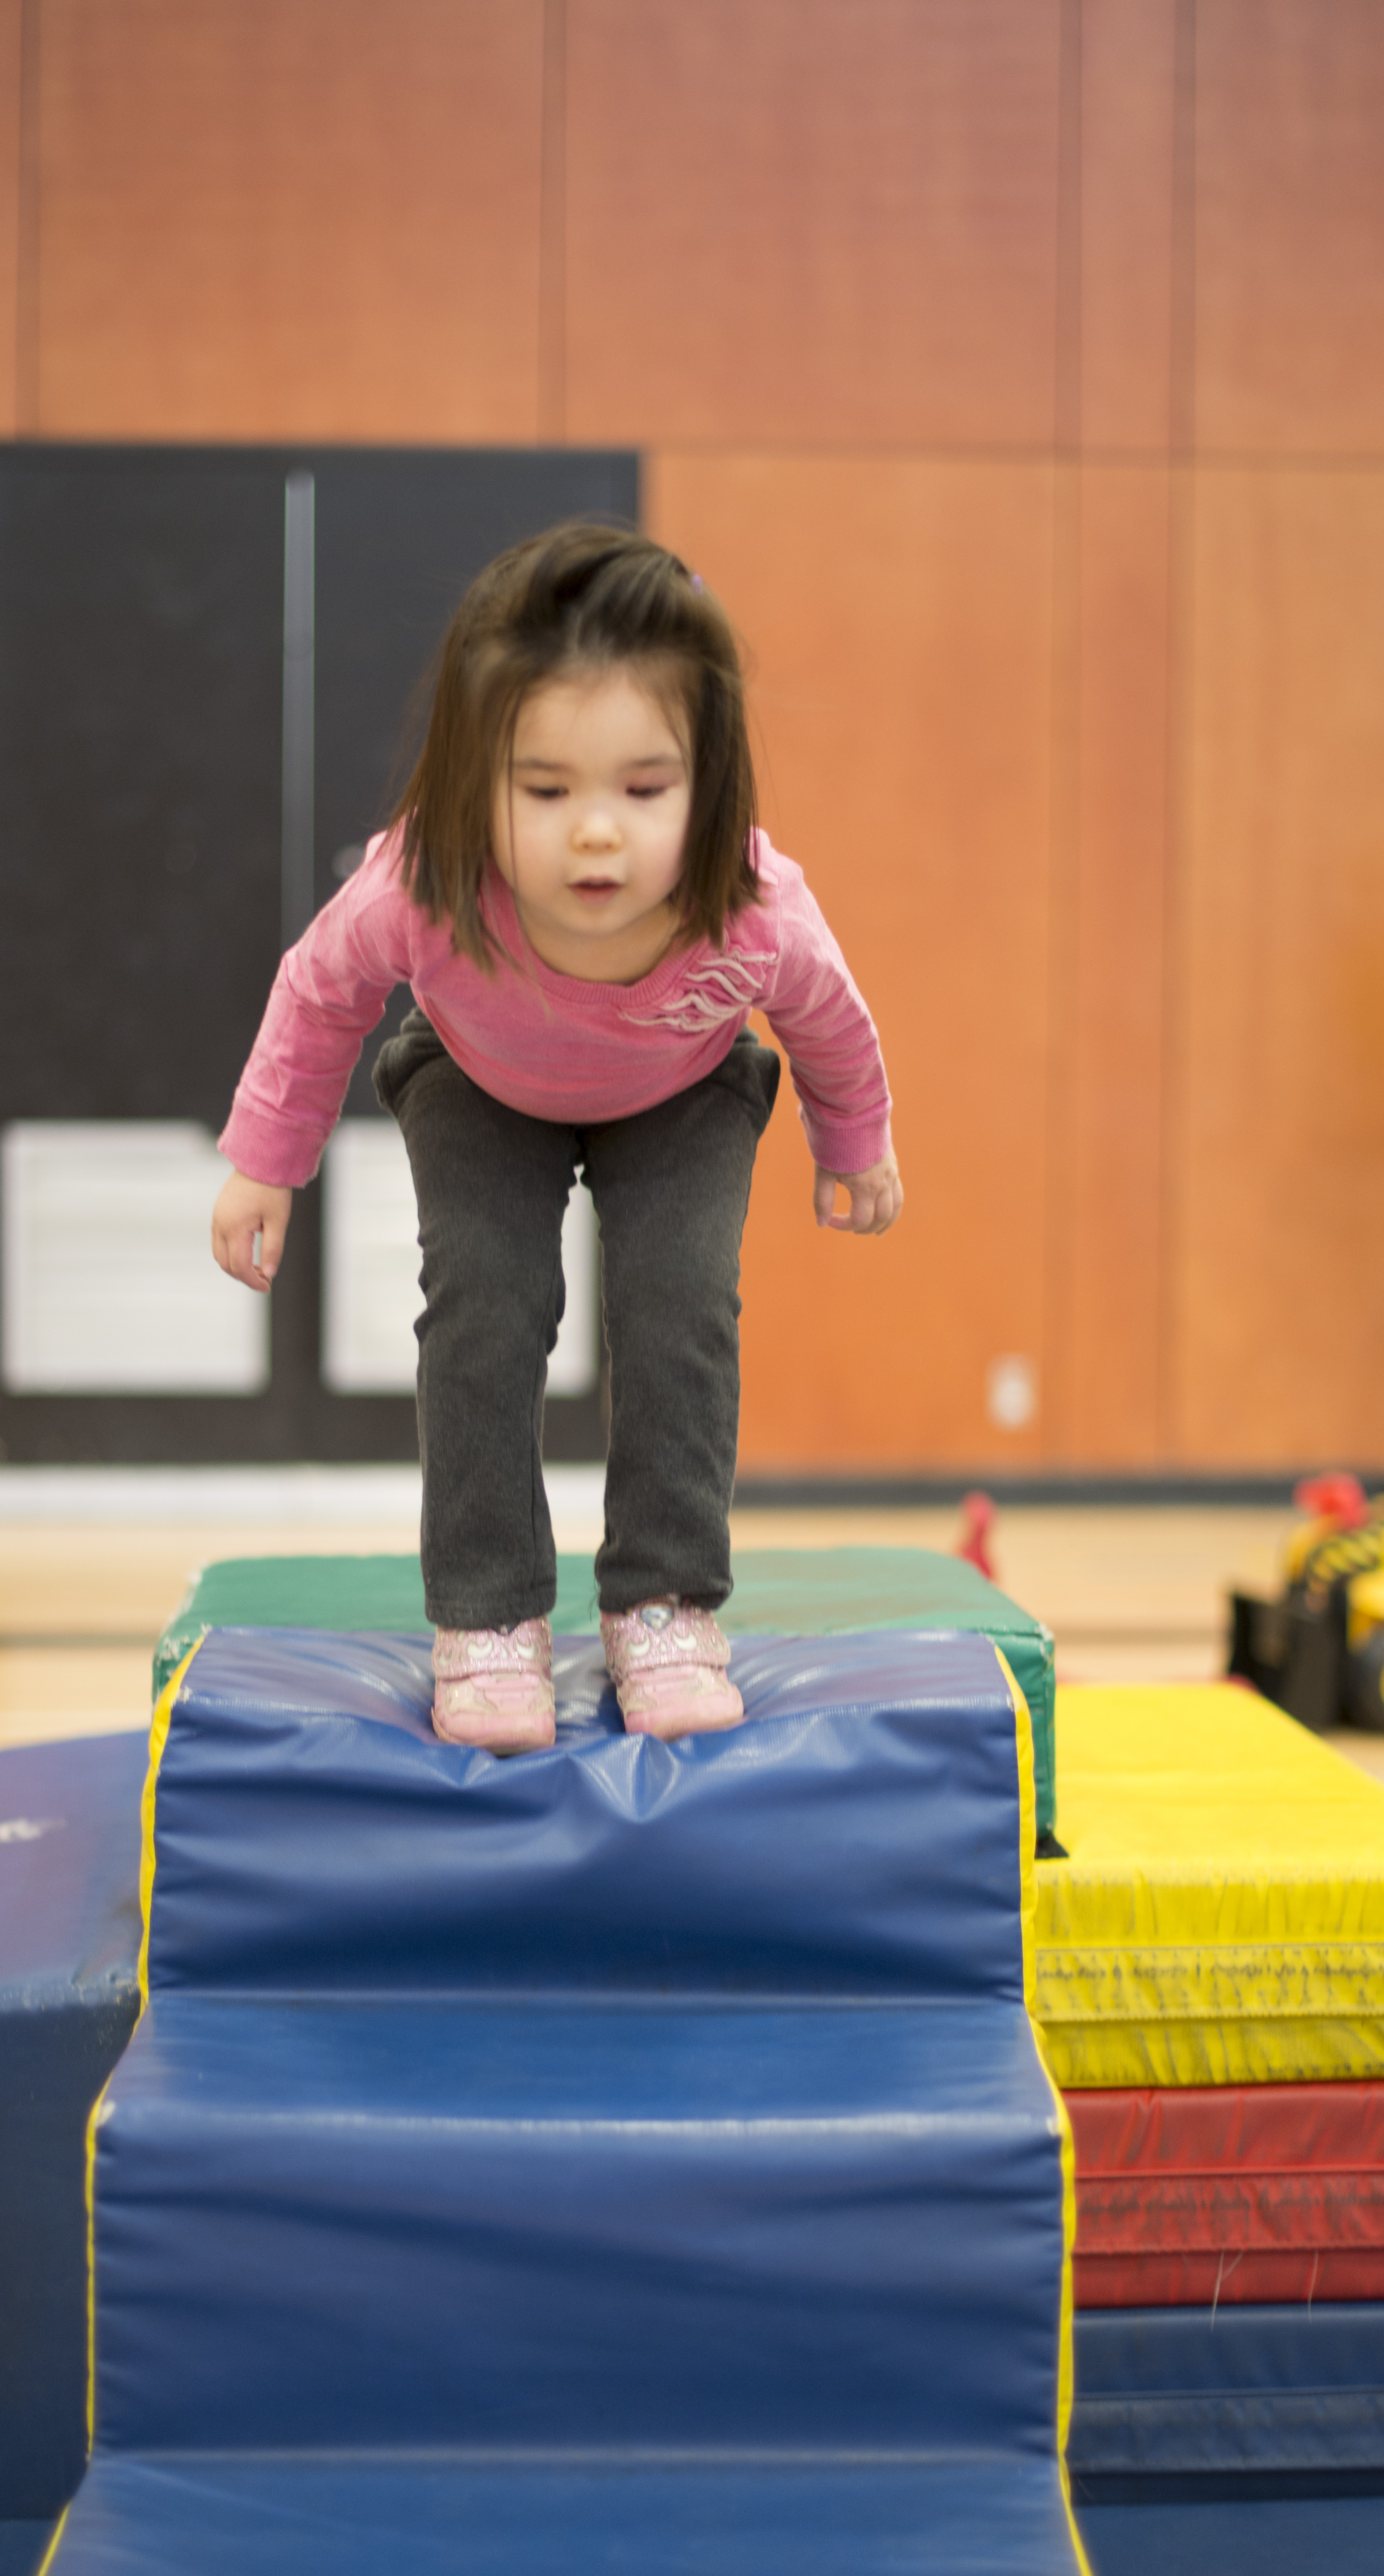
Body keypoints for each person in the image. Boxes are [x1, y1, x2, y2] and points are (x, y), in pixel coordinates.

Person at [212, 521, 901, 1755]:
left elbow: (828, 1021)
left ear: (708, 783)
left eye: (643, 791)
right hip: (483, 1083)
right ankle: (487, 1618)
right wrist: (268, 1160)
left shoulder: (749, 912)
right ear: (475, 781)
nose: (596, 833)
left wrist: (854, 1141)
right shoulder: (423, 885)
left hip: (680, 1091)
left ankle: (664, 1602)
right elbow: (320, 993)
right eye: (547, 791)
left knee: (678, 1302)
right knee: (486, 1300)